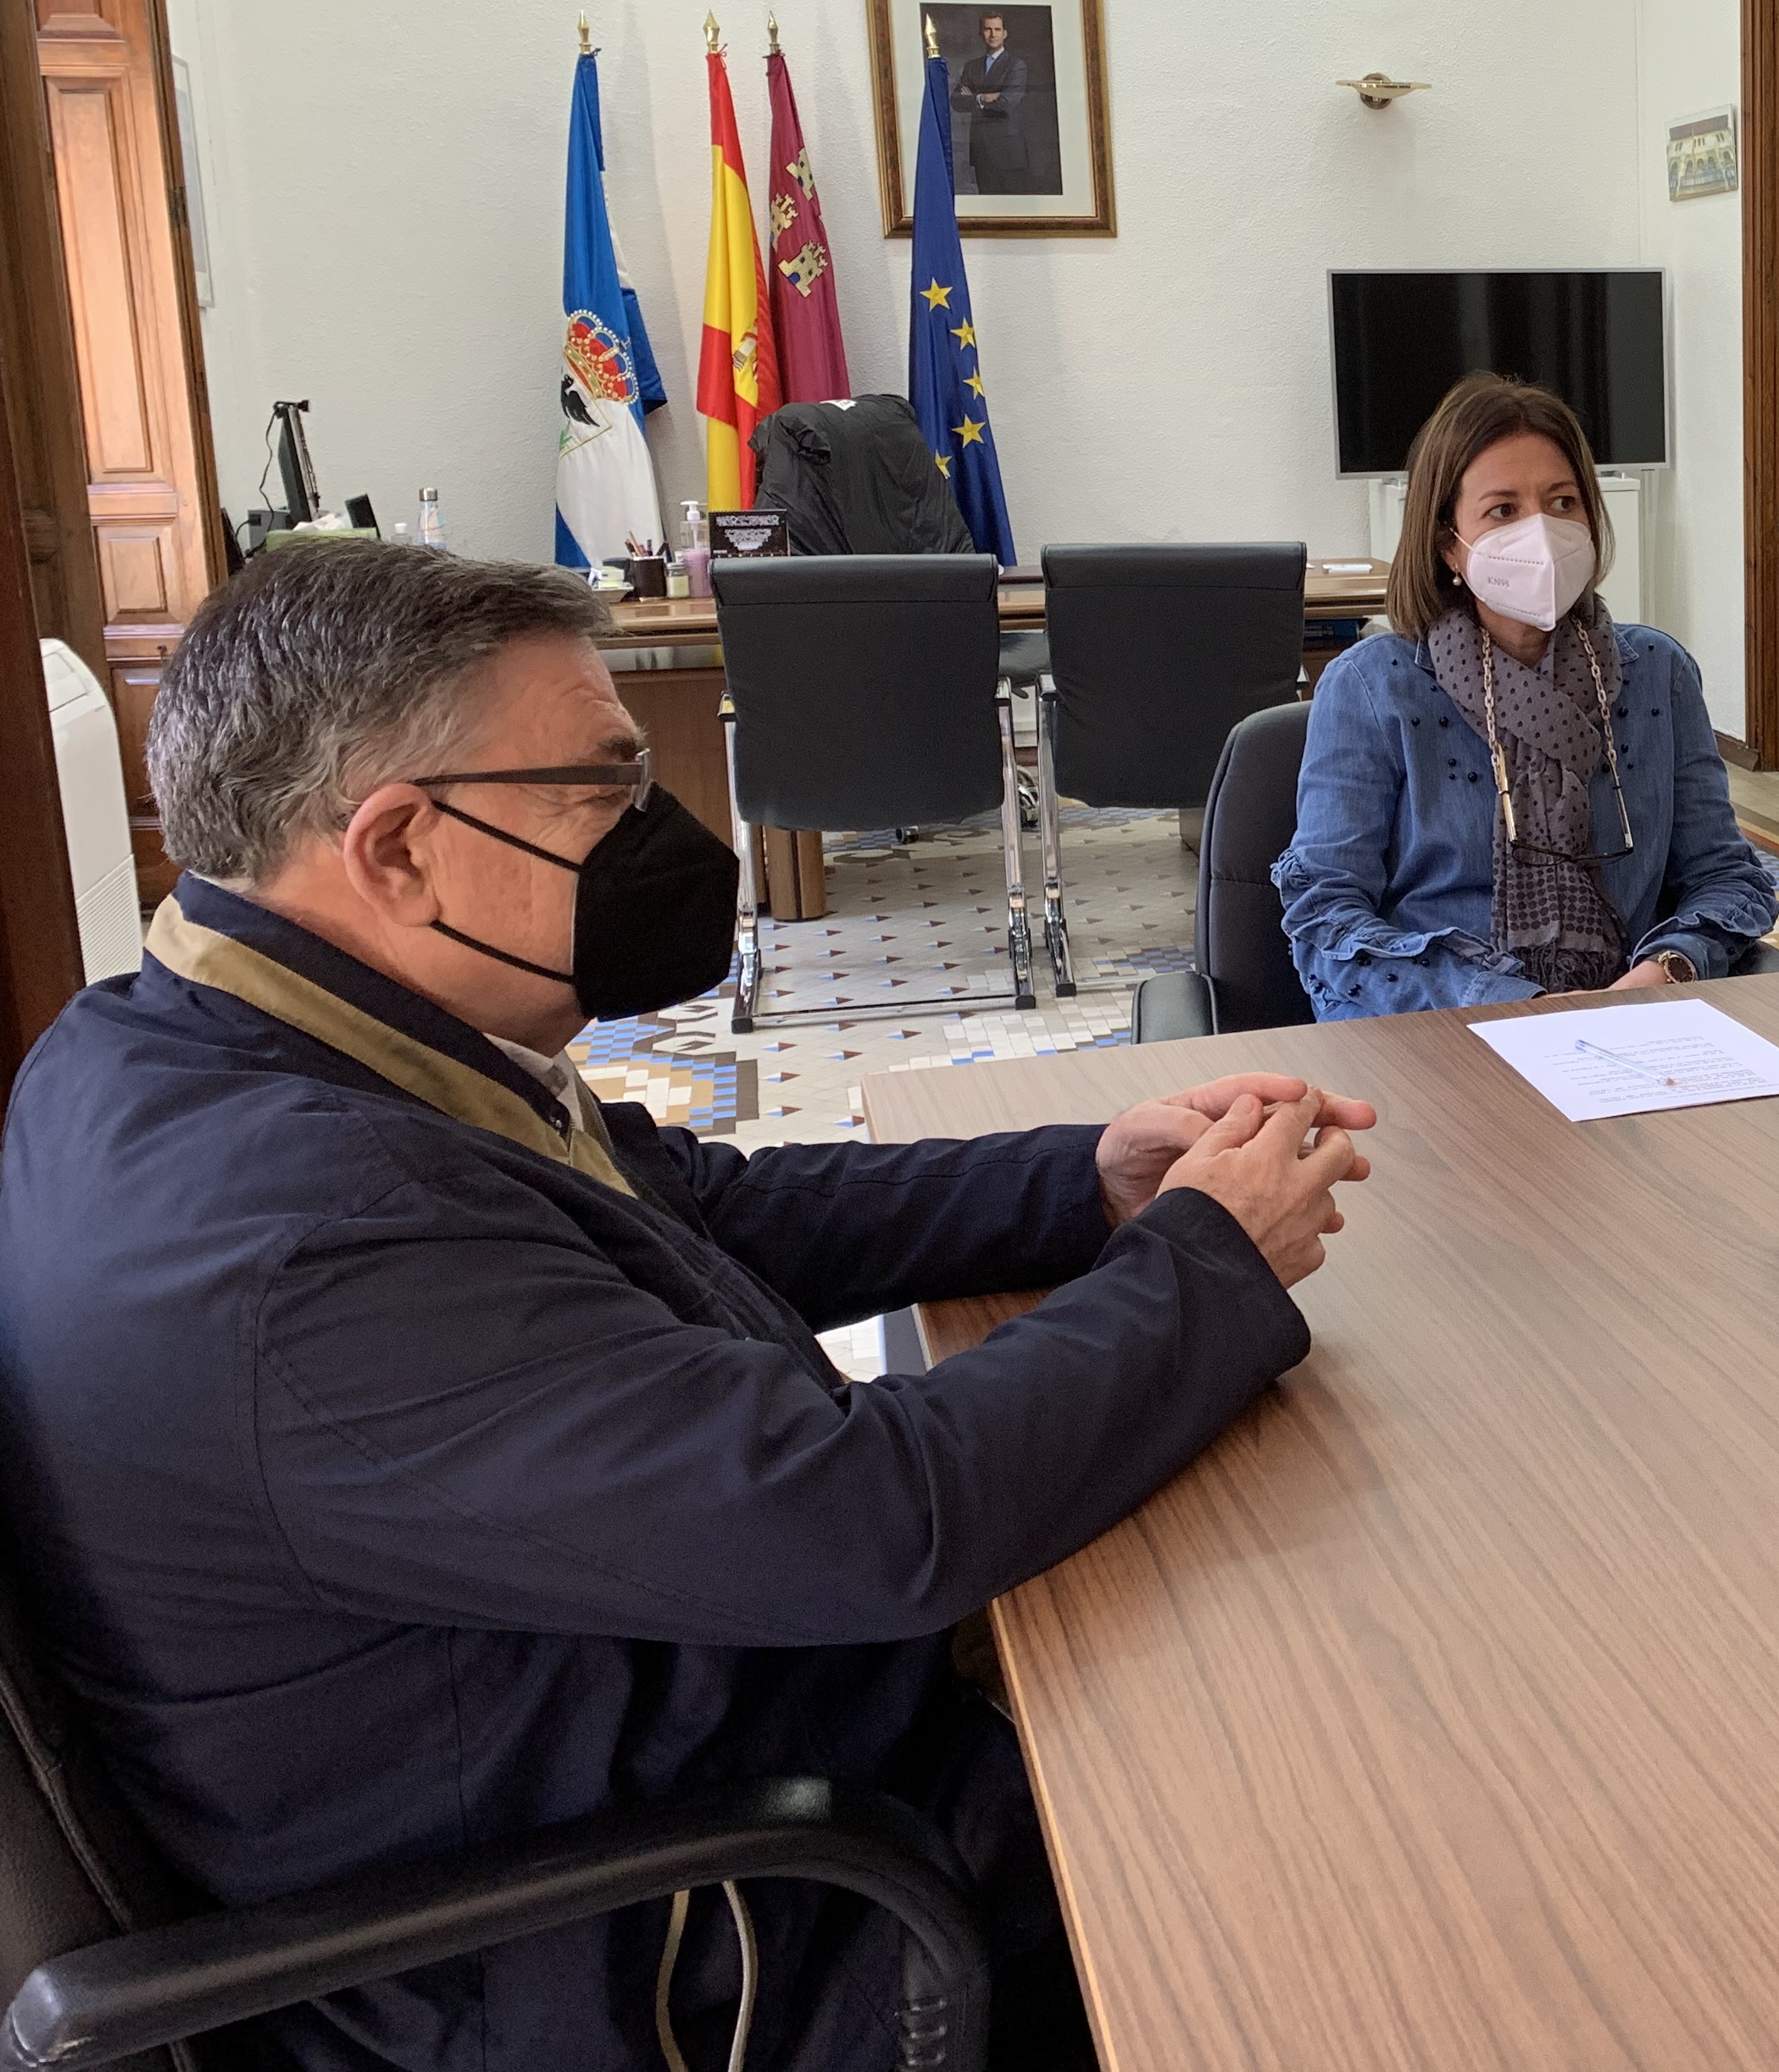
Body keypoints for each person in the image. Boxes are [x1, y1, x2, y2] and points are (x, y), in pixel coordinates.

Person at [0, 541, 1376, 2070]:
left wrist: (1086, 1182)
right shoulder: (308, 1238)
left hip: (642, 1741)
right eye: (604, 789)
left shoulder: (216, 1034)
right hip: (691, 1940)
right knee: (1324, 1783)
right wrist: (1206, 1260)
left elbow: (699, 1207)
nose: (663, 833)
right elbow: (871, 1520)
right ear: (396, 847)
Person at [1276, 374, 1779, 1018]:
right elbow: (1324, 912)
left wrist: (1670, 966)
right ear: (1448, 545)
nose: (1541, 532)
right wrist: (1512, 1001)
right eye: (1503, 510)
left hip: (1628, 1020)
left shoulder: (1658, 672)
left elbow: (1726, 877)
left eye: (1563, 502)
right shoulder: (1374, 686)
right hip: (1440, 1024)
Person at [953, 10, 1031, 193]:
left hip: (1008, 153)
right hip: (981, 150)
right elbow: (956, 101)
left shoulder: (1016, 65)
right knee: (986, 203)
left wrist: (974, 98)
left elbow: (1007, 104)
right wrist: (984, 97)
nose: (993, 34)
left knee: (1010, 206)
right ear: (981, 33)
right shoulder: (972, 67)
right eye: (988, 29)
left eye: (997, 29)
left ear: (1005, 33)